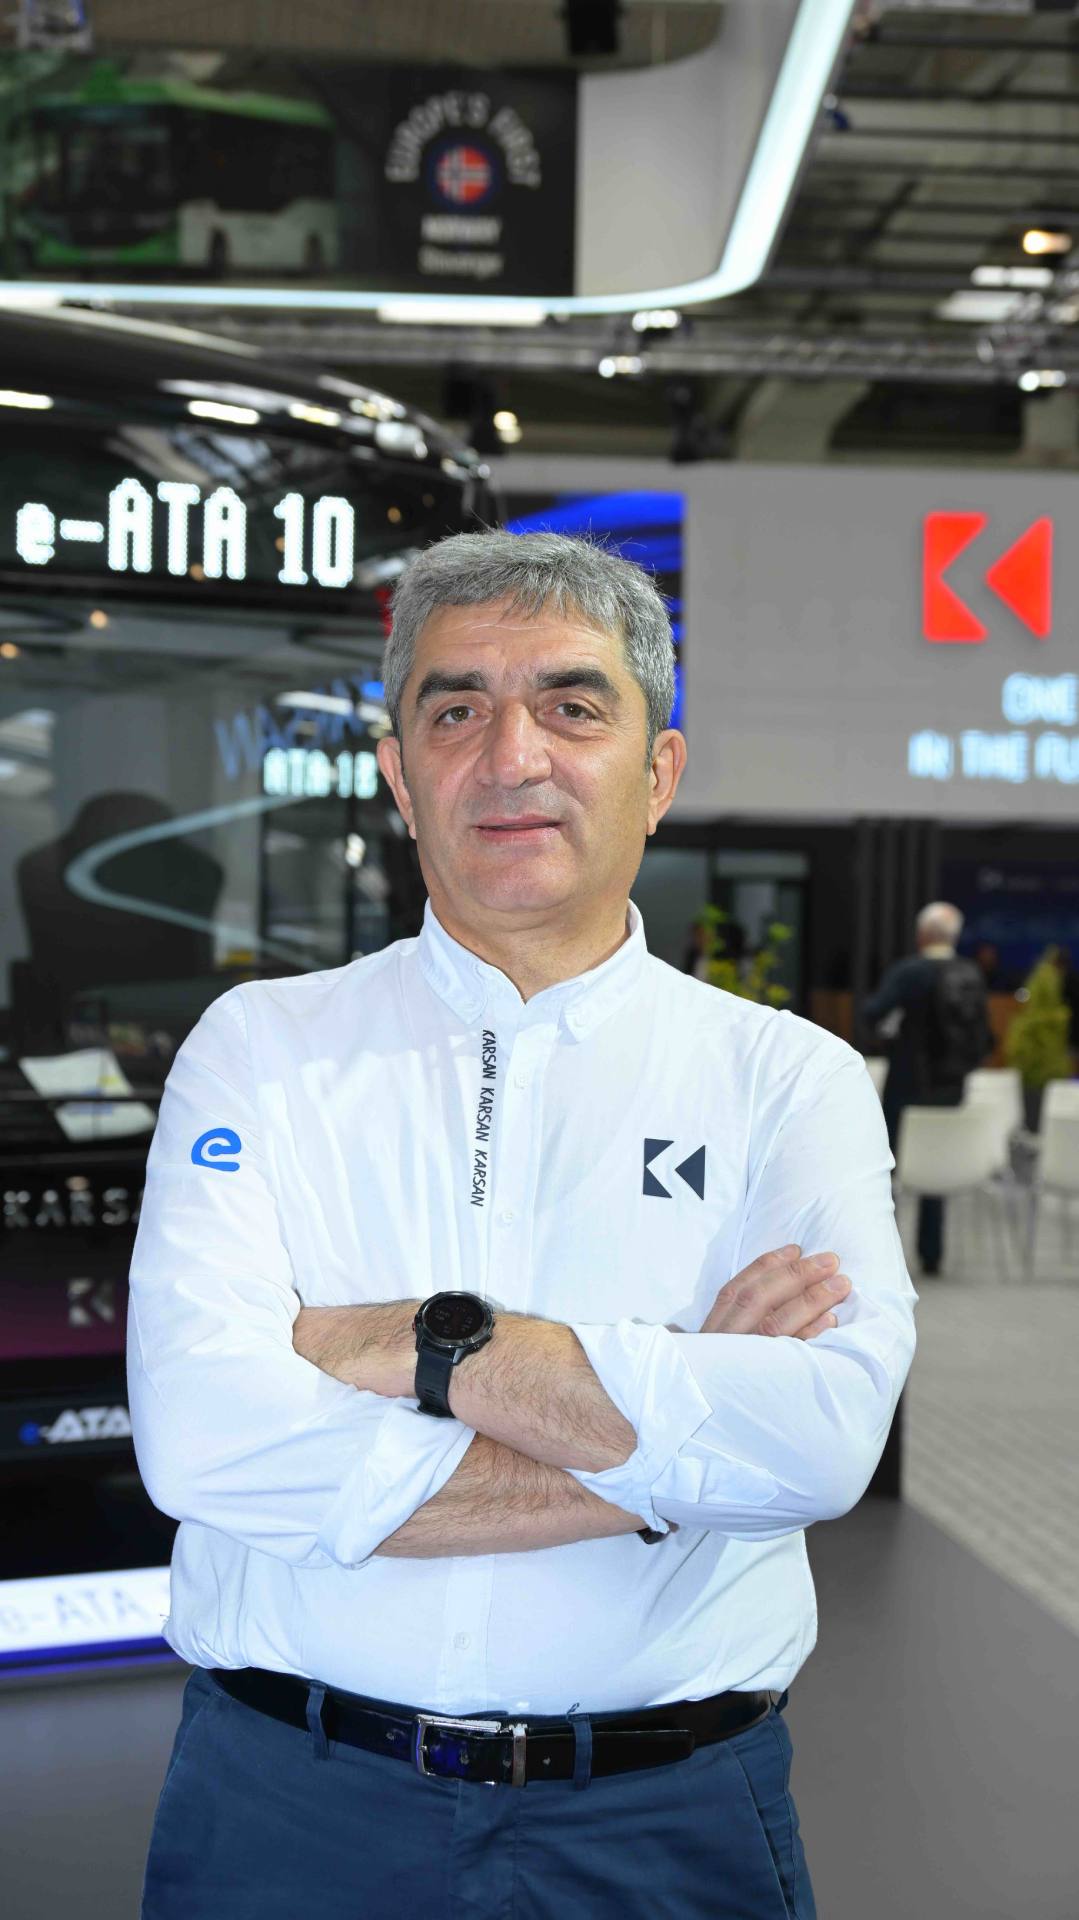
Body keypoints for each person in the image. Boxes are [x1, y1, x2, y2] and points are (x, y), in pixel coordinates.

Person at [128, 530, 918, 1920]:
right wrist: (671, 1454)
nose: (510, 757)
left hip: (666, 1820)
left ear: (656, 774)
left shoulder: (783, 1078)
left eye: (570, 705)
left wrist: (413, 1345)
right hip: (291, 1806)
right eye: (455, 710)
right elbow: (203, 1439)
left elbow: (816, 1440)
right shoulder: (260, 1047)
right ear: (398, 775)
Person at [862, 902, 993, 1277]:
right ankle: (931, 1253)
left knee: (885, 1170)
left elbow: (872, 1012)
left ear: (922, 935)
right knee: (936, 1167)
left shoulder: (909, 972)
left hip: (907, 1085)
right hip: (951, 1087)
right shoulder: (970, 973)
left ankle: (882, 1254)